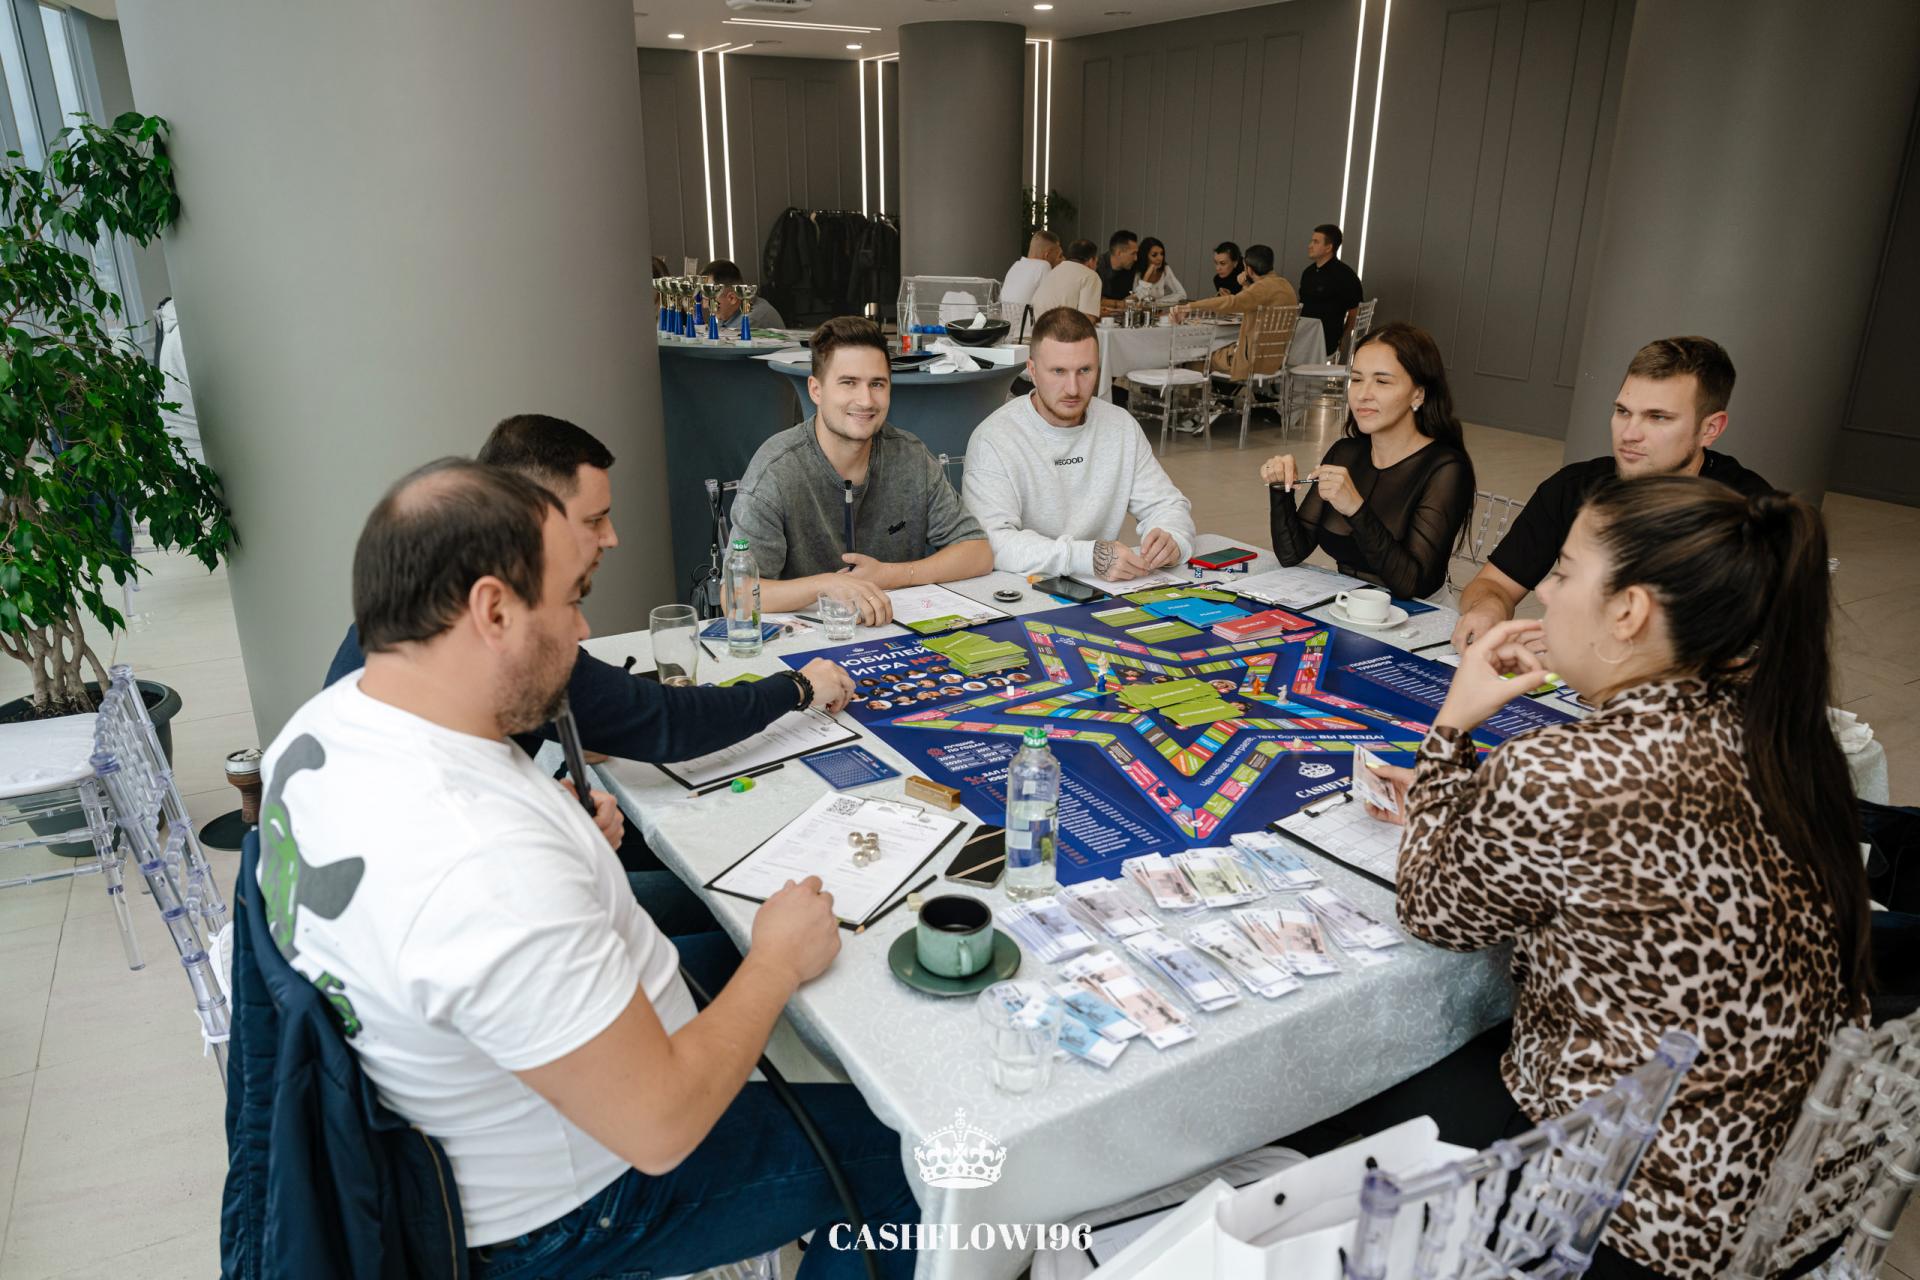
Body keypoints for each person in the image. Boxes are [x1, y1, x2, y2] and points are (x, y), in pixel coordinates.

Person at [266, 460, 916, 1279]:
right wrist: (774, 963)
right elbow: (661, 1128)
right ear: (492, 611)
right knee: (916, 1164)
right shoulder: (483, 864)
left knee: (754, 944)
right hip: (572, 1204)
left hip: (483, 1103)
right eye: (572, 600)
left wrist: (556, 829)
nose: (581, 633)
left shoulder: (323, 727)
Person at [1355, 475, 1866, 1279]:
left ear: (1628, 613)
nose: (1545, 594)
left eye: (1563, 572)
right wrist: (1473, 799)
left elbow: (1432, 909)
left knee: (1348, 1099)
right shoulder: (1781, 729)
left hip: (1636, 1212)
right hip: (1794, 1185)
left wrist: (1452, 727)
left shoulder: (1563, 773)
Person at [324, 415, 852, 771]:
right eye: (594, 519)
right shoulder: (510, 627)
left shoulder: (426, 591)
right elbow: (670, 723)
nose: (612, 537)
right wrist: (797, 687)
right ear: (535, 518)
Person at [1450, 336, 1776, 650]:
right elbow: (1494, 583)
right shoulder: (1573, 486)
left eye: (1657, 417)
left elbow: (1756, 651)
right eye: (1622, 411)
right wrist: (1489, 609)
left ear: (1710, 429)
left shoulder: (1750, 513)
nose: (1629, 434)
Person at [731, 317, 993, 624]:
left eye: (877, 384)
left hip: (896, 633)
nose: (866, 400)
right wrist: (826, 585)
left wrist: (890, 575)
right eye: (848, 383)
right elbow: (736, 595)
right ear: (816, 390)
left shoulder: (910, 456)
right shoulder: (777, 470)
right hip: (808, 641)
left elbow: (977, 552)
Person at [962, 306, 1196, 580]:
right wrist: (1086, 557)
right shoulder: (993, 439)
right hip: (1019, 588)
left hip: (1103, 586)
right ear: (1032, 371)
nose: (1073, 388)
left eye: (1084, 370)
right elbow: (993, 542)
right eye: (1058, 371)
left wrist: (1172, 538)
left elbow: (1167, 505)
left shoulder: (1121, 426)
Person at [1260, 323, 1473, 599]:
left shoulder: (1446, 469)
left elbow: (1413, 585)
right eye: (1357, 379)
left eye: (1382, 381)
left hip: (1418, 615)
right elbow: (1291, 553)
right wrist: (1280, 488)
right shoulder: (1345, 453)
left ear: (1418, 394)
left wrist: (1355, 508)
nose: (1362, 395)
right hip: (1348, 606)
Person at [1172, 243, 1301, 376]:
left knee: (1195, 358)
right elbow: (1252, 300)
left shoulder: (1261, 288)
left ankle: (1205, 390)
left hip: (1250, 362)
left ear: (1249, 270)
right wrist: (1246, 285)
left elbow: (1232, 302)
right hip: (1275, 361)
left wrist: (1191, 306)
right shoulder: (1286, 285)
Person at [1297, 224, 1363, 356]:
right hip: (1303, 333)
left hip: (1325, 339)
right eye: (1311, 241)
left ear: (1328, 247)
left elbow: (1355, 310)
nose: (1310, 246)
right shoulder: (1308, 272)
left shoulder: (1344, 275)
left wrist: (1344, 336)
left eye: (1316, 242)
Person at [1026, 237, 1103, 321]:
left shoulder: (1056, 269)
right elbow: (1088, 319)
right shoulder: (1091, 276)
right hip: (1058, 326)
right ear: (1091, 260)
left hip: (1037, 325)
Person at [1002, 229, 1062, 330]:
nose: (1060, 260)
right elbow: (1052, 305)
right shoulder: (1043, 265)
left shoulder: (1015, 266)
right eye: (1058, 256)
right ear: (1047, 254)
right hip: (1027, 333)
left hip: (1008, 330)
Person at [702, 259, 785, 331]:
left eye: (708, 299)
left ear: (732, 298)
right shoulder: (729, 315)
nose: (704, 306)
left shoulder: (752, 320)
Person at [1096, 229, 1140, 314]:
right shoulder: (1098, 266)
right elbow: (1094, 299)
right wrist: (1120, 303)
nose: (1136, 258)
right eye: (1133, 254)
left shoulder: (1134, 265)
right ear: (1119, 253)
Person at [1131, 237, 1186, 305]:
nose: (1160, 258)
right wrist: (1147, 275)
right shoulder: (1137, 272)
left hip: (1158, 310)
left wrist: (1158, 301)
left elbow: (1182, 294)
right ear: (1144, 256)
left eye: (1162, 254)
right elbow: (1135, 299)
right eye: (1154, 255)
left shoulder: (1165, 269)